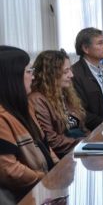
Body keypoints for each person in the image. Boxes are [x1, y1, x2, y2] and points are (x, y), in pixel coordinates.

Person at [0, 46, 58, 202]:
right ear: (12, 77)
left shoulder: (24, 106)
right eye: (28, 72)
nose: (33, 77)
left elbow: (45, 145)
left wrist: (60, 169)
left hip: (45, 189)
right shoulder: (1, 118)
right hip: (27, 195)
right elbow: (10, 171)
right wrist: (47, 178)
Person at [29, 50, 88, 158]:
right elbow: (51, 141)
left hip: (77, 151)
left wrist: (93, 140)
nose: (71, 75)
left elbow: (81, 128)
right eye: (66, 72)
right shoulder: (37, 100)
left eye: (70, 70)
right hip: (62, 158)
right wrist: (86, 143)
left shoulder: (65, 93)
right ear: (50, 74)